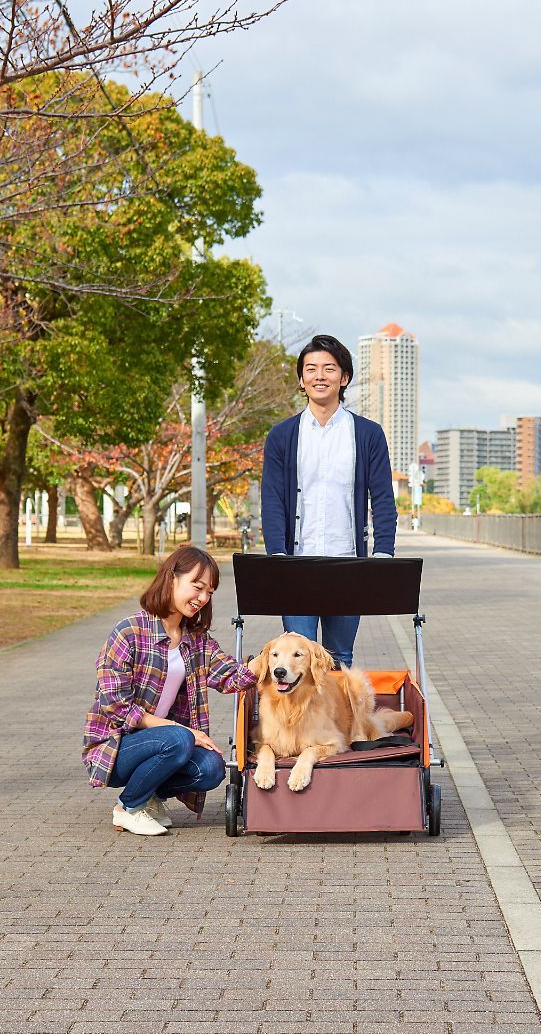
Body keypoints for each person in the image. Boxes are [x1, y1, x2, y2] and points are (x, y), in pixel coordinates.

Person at [84, 545, 257, 837]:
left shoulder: (196, 639)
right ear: (171, 578)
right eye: (197, 586)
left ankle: (150, 798)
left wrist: (274, 660)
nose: (202, 598)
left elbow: (230, 676)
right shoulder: (130, 631)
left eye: (209, 592)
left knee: (212, 768)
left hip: (165, 741)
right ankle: (128, 807)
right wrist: (181, 730)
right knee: (179, 737)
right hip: (117, 745)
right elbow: (115, 706)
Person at [260, 334, 397, 668]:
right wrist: (277, 555)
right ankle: (304, 723)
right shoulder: (282, 435)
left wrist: (382, 554)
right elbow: (272, 499)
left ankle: (338, 723)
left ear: (344, 377)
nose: (319, 376)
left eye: (328, 369)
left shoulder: (367, 434)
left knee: (339, 658)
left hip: (348, 563)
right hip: (296, 564)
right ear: (302, 379)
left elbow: (382, 498)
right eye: (311, 369)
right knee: (298, 662)